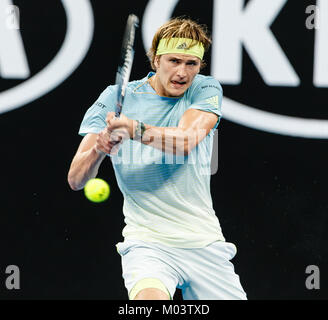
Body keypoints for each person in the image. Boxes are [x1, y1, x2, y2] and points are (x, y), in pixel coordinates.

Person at [68, 17, 247, 300]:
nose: (182, 72)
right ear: (155, 60)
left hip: (203, 242)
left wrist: (132, 129)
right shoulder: (114, 97)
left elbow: (186, 141)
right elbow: (76, 179)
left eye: (192, 63)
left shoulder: (205, 89)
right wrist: (99, 148)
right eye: (174, 60)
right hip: (148, 243)